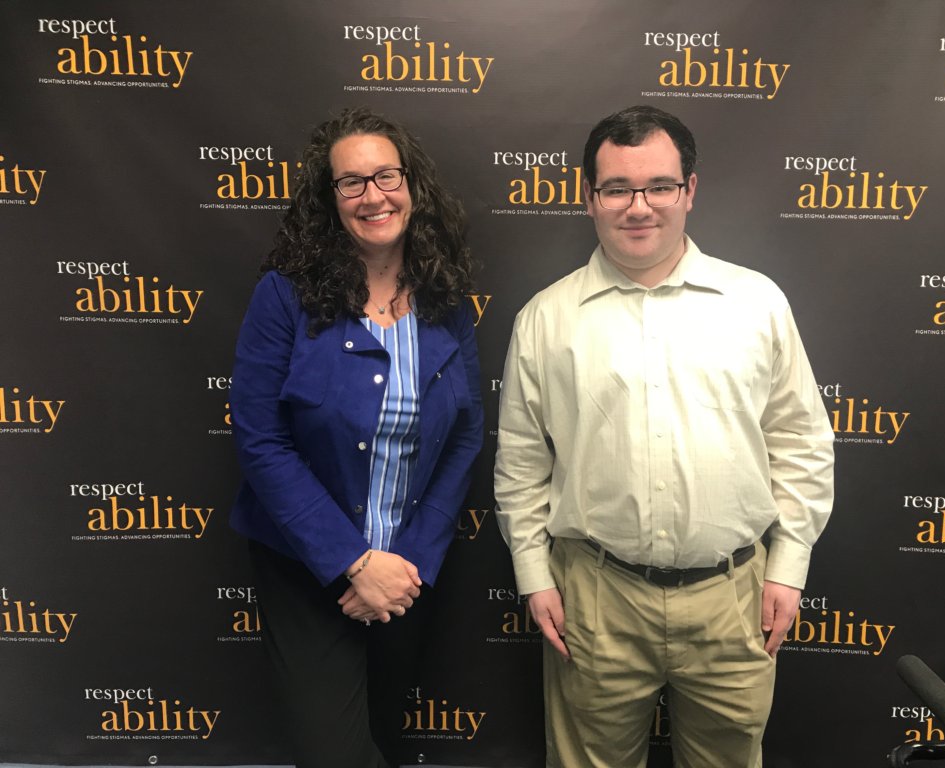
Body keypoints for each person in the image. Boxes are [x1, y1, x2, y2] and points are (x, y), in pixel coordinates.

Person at [494, 105, 835, 768]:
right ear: (589, 197)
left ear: (690, 192)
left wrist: (790, 566)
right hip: (594, 600)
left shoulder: (756, 303)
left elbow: (800, 441)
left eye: (659, 186)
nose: (639, 206)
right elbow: (521, 463)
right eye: (617, 187)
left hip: (733, 597)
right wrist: (534, 574)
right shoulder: (545, 319)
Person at [230, 106, 483, 768]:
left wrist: (410, 564)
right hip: (307, 570)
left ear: (412, 186)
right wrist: (352, 560)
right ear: (330, 199)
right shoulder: (283, 297)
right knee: (336, 754)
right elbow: (260, 439)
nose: (374, 195)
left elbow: (466, 435)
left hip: (405, 573)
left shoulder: (445, 299)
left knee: (385, 737)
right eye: (352, 182)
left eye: (386, 176)